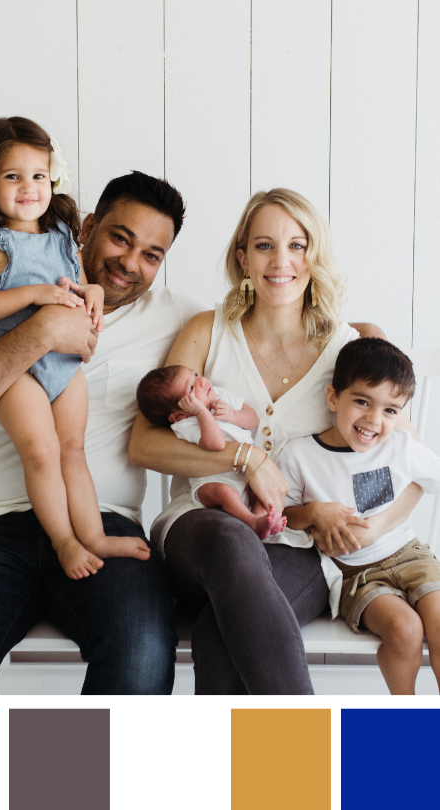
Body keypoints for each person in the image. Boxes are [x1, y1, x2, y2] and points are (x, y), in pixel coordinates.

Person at [0, 164, 202, 695]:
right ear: (86, 227)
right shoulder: (8, 284)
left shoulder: (180, 320)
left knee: (142, 657)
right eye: (120, 238)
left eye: (151, 255)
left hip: (101, 527)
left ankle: (80, 782)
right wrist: (40, 331)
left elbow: (268, 331)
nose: (130, 263)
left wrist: (359, 337)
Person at [130, 187, 423, 695]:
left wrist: (368, 529)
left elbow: (402, 458)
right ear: (242, 257)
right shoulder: (208, 331)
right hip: (198, 532)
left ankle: (241, 774)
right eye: (264, 245)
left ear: (315, 256)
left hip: (296, 545)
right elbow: (144, 445)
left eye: (297, 245)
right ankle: (307, 752)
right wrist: (247, 457)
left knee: (217, 635)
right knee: (229, 539)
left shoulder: (349, 348)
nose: (280, 261)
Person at [0, 117, 149, 579]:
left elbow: (81, 288)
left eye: (38, 175)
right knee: (40, 453)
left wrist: (94, 294)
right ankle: (64, 542)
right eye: (12, 176)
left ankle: (95, 534)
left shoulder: (62, 234)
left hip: (62, 365)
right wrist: (33, 295)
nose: (28, 188)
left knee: (72, 450)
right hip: (15, 368)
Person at [278, 338, 440, 695]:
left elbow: (432, 477)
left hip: (411, 555)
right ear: (334, 398)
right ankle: (405, 712)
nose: (374, 420)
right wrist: (313, 513)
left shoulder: (400, 445)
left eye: (390, 410)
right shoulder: (300, 455)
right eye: (362, 402)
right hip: (354, 574)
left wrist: (386, 523)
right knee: (406, 630)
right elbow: (280, 518)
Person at [136, 364, 286, 538]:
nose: (202, 381)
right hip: (212, 480)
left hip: (246, 473)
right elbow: (216, 444)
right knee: (224, 493)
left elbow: (253, 418)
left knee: (261, 491)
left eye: (196, 374)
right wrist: (201, 412)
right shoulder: (185, 425)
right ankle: (250, 520)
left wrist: (234, 415)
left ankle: (263, 521)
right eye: (191, 387)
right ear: (178, 415)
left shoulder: (220, 396)